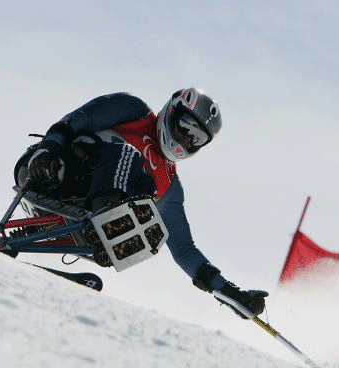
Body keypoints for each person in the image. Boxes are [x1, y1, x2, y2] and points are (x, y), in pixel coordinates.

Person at [16, 88, 268, 319]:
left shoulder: (169, 185)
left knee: (150, 214)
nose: (187, 140)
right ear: (172, 111)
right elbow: (75, 120)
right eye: (186, 127)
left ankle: (102, 231)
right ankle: (107, 214)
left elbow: (184, 250)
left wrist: (232, 294)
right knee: (130, 157)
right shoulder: (133, 111)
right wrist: (49, 148)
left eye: (197, 138)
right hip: (51, 169)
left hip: (80, 214)